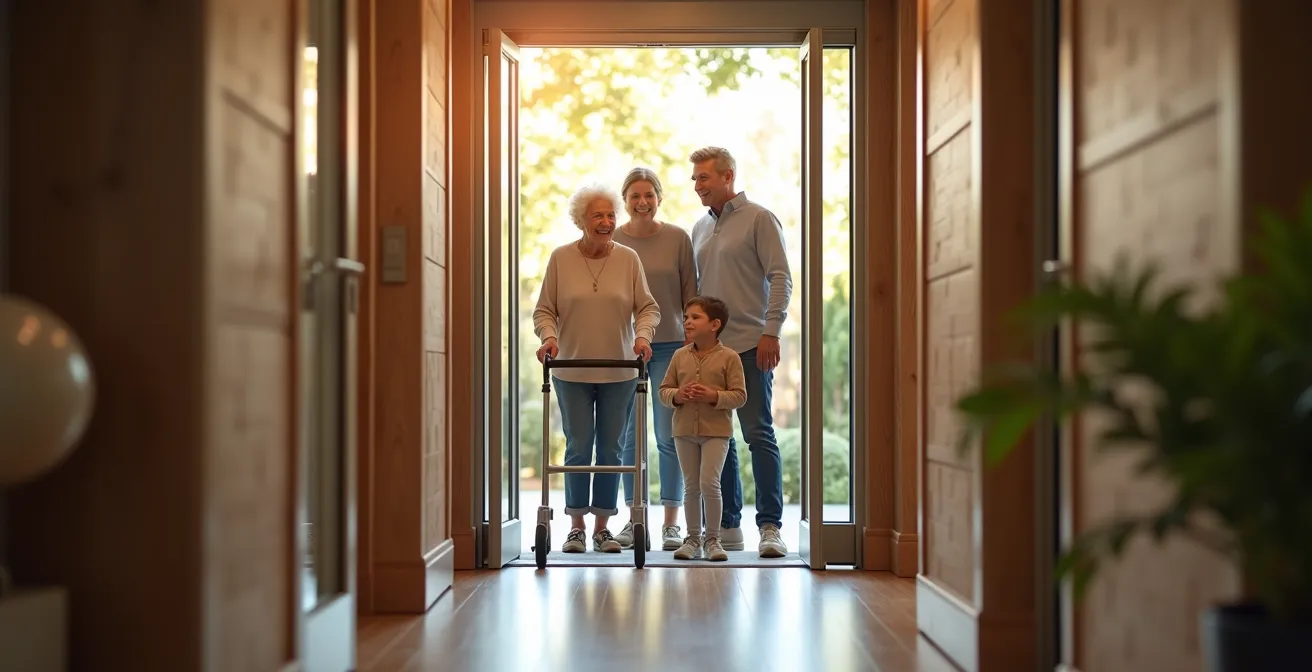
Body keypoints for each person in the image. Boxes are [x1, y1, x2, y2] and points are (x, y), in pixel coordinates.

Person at [533, 182, 660, 554]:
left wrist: (643, 336)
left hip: (619, 370)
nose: (606, 222)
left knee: (610, 449)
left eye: (610, 215)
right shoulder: (560, 258)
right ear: (581, 221)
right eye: (597, 216)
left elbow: (648, 307)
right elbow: (545, 310)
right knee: (578, 447)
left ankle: (602, 528)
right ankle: (576, 527)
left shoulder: (628, 259)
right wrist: (548, 338)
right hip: (571, 369)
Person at [687, 146, 792, 558]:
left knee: (758, 434)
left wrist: (772, 332)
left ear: (728, 176)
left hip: (751, 345)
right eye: (694, 178)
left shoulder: (759, 218)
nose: (697, 185)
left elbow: (781, 276)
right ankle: (727, 526)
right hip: (709, 352)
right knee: (718, 437)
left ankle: (770, 527)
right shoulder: (699, 228)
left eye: (704, 177)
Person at [611, 167, 698, 553]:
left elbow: (691, 294)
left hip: (670, 347)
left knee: (668, 436)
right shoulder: (613, 239)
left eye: (649, 195)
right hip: (624, 349)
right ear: (625, 200)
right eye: (635, 196)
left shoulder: (678, 238)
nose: (642, 202)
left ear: (659, 198)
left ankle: (670, 523)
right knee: (629, 438)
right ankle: (635, 519)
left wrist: (694, 343)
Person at [659, 296, 746, 562]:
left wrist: (713, 396)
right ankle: (693, 539)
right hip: (683, 431)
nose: (687, 321)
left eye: (695, 317)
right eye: (686, 317)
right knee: (691, 486)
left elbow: (740, 396)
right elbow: (664, 391)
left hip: (716, 433)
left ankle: (713, 540)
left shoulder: (730, 357)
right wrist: (677, 395)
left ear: (714, 325)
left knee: (710, 483)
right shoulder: (679, 356)